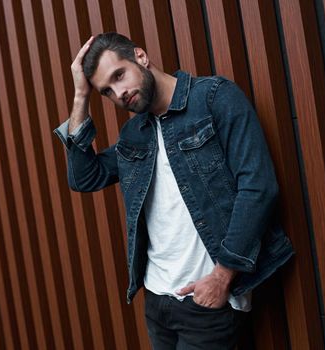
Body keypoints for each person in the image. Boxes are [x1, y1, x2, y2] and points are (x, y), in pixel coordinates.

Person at [54, 32, 294, 349]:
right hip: (157, 300)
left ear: (140, 56)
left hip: (206, 300)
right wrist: (80, 98)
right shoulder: (134, 135)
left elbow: (258, 187)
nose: (119, 93)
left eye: (119, 75)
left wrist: (222, 276)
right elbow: (84, 178)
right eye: (107, 91)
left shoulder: (213, 99)